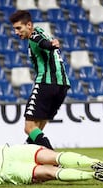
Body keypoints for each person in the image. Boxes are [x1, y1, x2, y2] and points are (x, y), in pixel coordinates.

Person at [9, 10, 71, 149]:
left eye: (19, 28)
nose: (17, 32)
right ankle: (26, 152)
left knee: (29, 128)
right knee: (37, 129)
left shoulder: (34, 36)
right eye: (15, 29)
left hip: (46, 84)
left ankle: (54, 160)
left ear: (29, 25)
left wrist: (50, 45)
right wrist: (50, 44)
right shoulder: (42, 31)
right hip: (62, 86)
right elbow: (44, 42)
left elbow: (42, 43)